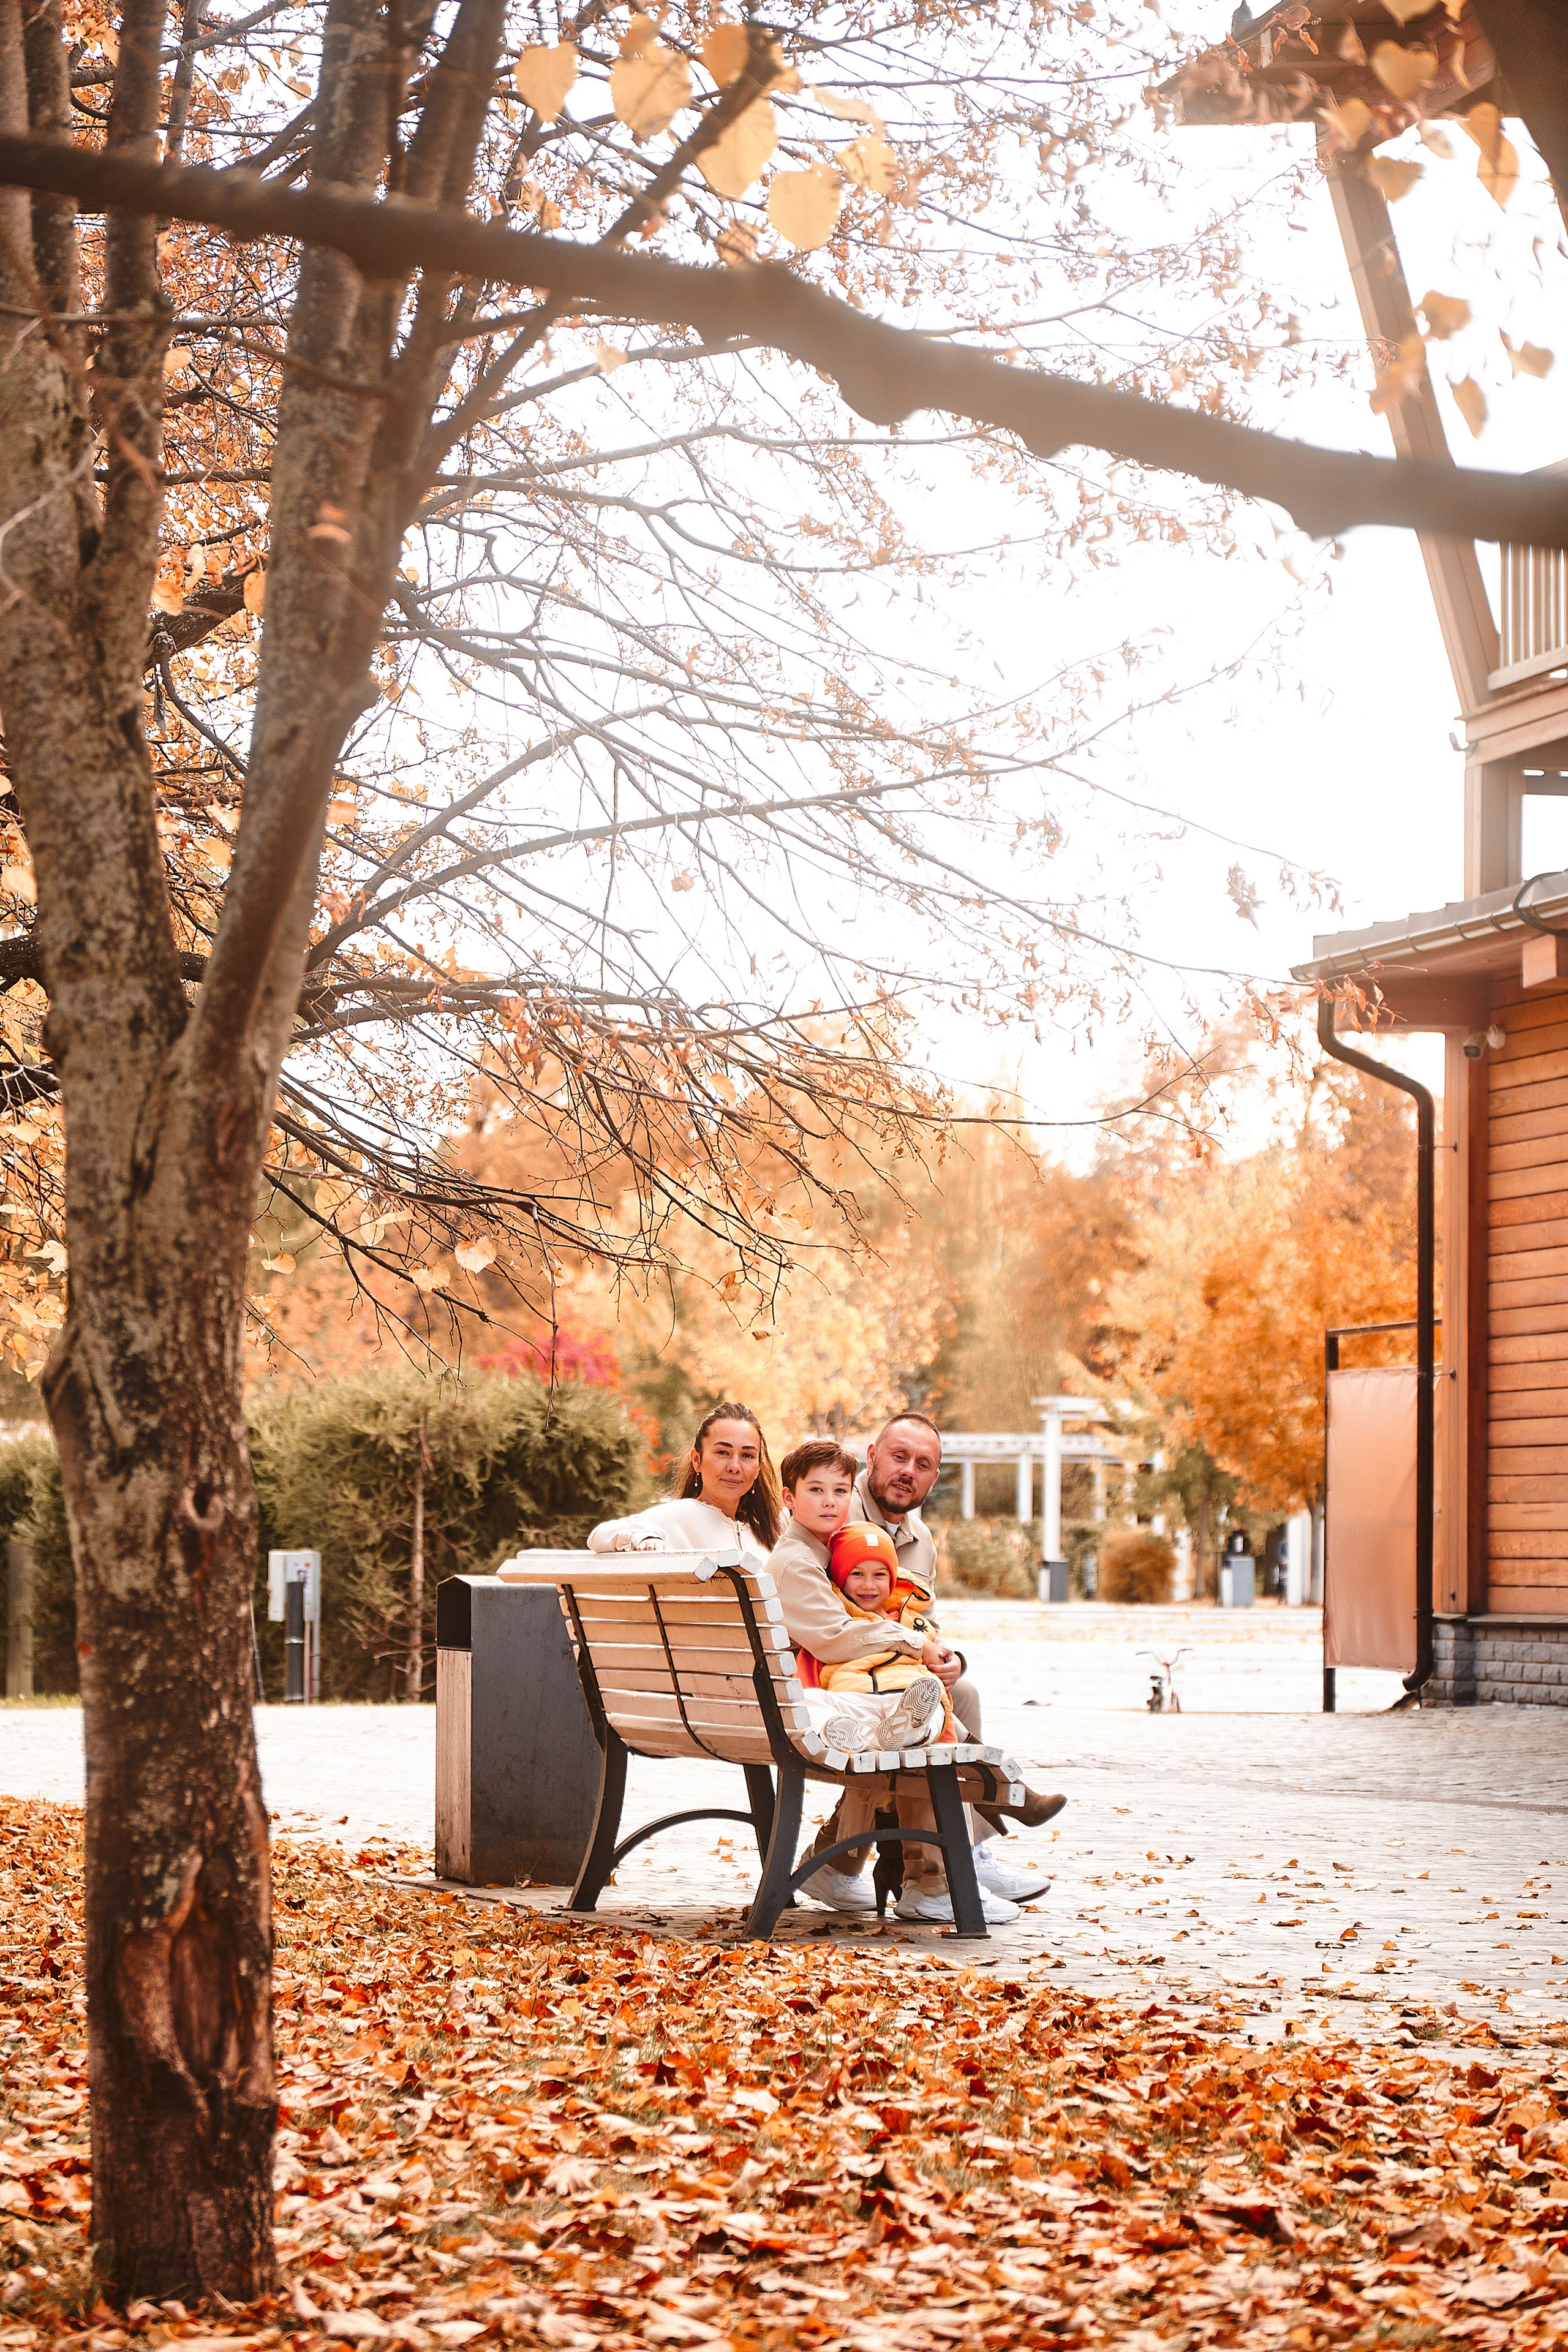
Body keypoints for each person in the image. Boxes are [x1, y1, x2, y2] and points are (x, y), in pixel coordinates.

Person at [791, 1411, 1066, 1914]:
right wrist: (913, 1651)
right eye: (899, 1457)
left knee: (960, 1691)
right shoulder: (831, 1514)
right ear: (871, 1458)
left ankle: (966, 1851)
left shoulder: (921, 1539)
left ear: (934, 1477)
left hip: (886, 1671)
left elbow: (926, 1622)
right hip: (837, 1681)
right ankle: (943, 1866)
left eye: (923, 1464)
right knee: (921, 1717)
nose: (908, 1472)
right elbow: (833, 1630)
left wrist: (947, 1659)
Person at [587, 1401, 780, 1562]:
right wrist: (645, 1537)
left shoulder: (764, 1531)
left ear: (758, 1468)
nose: (735, 1466)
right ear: (697, 1460)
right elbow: (600, 1535)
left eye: (747, 1455)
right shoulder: (679, 1516)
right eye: (723, 1452)